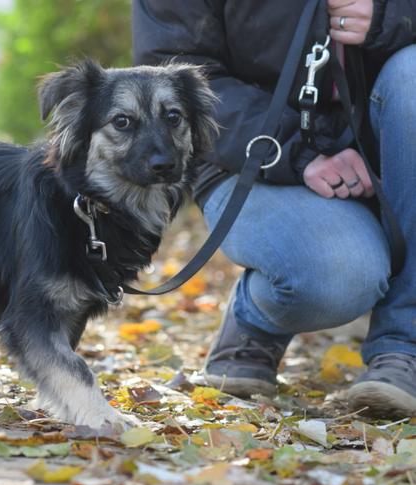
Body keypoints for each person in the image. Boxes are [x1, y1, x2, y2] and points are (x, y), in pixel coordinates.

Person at [132, 0, 416, 418]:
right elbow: (175, 72)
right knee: (337, 274)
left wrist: (393, 18)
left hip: (393, 135)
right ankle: (256, 319)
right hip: (245, 152)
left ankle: (403, 347)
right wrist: (295, 149)